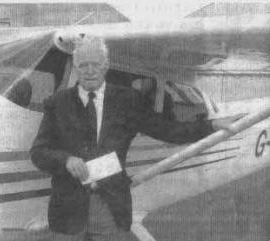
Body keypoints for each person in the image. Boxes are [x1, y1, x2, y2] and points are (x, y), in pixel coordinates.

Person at [30, 36, 235, 241]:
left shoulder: (127, 100)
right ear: (75, 66)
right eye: (83, 65)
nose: (90, 71)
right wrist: (66, 160)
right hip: (68, 208)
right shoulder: (58, 103)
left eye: (96, 64)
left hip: (109, 205)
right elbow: (39, 152)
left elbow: (168, 130)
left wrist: (210, 126)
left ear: (106, 65)